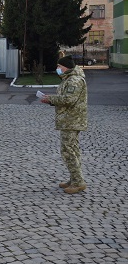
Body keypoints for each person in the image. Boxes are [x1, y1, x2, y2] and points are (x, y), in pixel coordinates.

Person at [40, 55, 88, 194]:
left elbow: (69, 99)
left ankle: (78, 182)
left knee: (68, 151)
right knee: (72, 149)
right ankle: (74, 179)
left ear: (66, 67)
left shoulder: (74, 80)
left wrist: (51, 99)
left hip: (72, 120)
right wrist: (51, 99)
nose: (58, 69)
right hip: (69, 119)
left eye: (59, 67)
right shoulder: (69, 79)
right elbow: (65, 98)